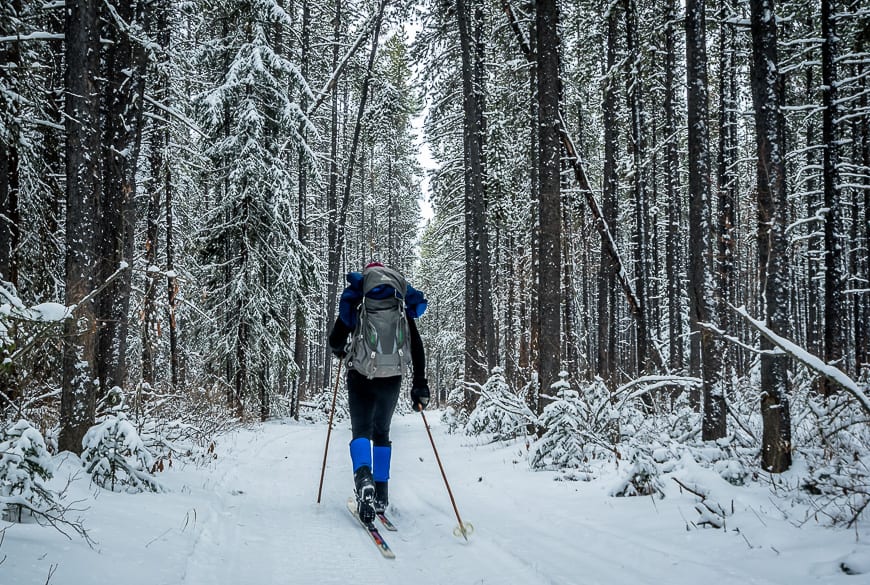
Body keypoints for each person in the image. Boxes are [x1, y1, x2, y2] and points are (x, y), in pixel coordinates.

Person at [328, 262, 430, 524]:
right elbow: (415, 343)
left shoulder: (359, 297)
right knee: (382, 432)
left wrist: (341, 352)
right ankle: (381, 494)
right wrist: (420, 382)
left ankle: (364, 480)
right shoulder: (399, 302)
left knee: (361, 431)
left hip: (360, 374)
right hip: (392, 377)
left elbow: (336, 339)